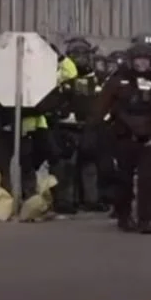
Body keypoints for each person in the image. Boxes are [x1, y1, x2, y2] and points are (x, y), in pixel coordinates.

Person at [93, 40, 151, 234]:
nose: (142, 64)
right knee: (124, 179)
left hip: (150, 138)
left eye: (146, 60)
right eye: (138, 60)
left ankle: (145, 219)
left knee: (146, 180)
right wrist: (95, 127)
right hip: (124, 138)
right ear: (131, 61)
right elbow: (101, 106)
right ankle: (124, 216)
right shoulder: (118, 81)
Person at [47, 38, 105, 213]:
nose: (81, 59)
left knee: (90, 165)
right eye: (76, 55)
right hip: (66, 127)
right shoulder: (62, 77)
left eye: (84, 55)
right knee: (66, 166)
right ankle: (65, 200)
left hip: (88, 127)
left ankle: (91, 199)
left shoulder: (96, 79)